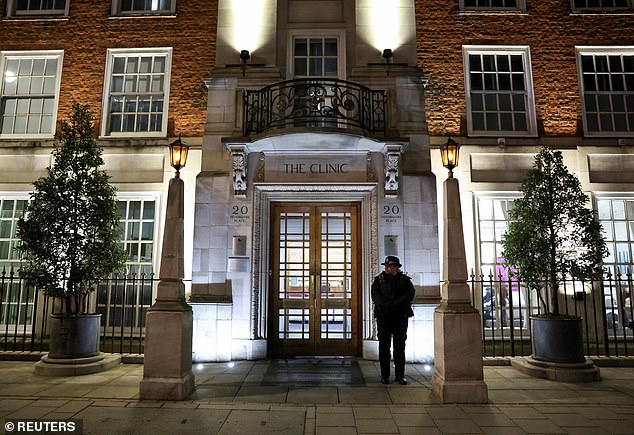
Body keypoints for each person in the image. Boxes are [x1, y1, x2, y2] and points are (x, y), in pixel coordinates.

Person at [371, 255, 415, 385]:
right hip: (384, 317)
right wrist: (386, 305)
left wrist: (396, 304)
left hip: (399, 317)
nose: (386, 268)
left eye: (389, 266)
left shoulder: (404, 280)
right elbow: (375, 295)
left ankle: (400, 375)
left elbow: (410, 294)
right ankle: (385, 375)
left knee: (399, 347)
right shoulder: (379, 280)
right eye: (386, 266)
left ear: (396, 267)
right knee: (384, 347)